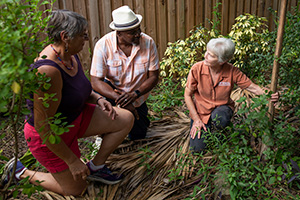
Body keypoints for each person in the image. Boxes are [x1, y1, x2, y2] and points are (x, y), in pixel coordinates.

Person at [0, 10, 134, 196]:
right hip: (50, 137)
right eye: (83, 35)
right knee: (76, 189)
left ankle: (96, 167)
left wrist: (99, 98)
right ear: (65, 37)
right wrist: (72, 161)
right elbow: (42, 126)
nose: (86, 39)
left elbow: (79, 91)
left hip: (75, 118)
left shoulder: (70, 55)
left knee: (125, 118)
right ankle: (20, 172)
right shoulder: (48, 71)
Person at [184, 38, 279, 153]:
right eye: (206, 52)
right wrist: (196, 119)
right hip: (201, 112)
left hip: (222, 109)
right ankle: (207, 128)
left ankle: (221, 131)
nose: (205, 56)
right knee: (196, 150)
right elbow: (187, 95)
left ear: (222, 61)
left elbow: (252, 87)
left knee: (220, 118)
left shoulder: (232, 71)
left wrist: (269, 94)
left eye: (211, 55)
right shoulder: (197, 69)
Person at [90, 5, 159, 140]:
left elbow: (154, 77)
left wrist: (135, 94)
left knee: (138, 135)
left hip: (137, 95)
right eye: (132, 32)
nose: (138, 34)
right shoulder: (103, 45)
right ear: (119, 33)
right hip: (112, 93)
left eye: (138, 29)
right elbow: (95, 81)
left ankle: (129, 122)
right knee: (106, 119)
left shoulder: (148, 42)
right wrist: (120, 100)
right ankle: (102, 133)